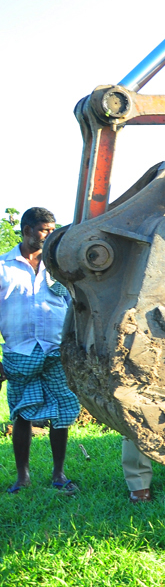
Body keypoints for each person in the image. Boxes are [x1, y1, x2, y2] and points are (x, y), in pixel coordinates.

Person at [1, 208, 82, 495]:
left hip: (56, 350)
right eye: (43, 230)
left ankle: (58, 473)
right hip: (19, 352)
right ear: (25, 230)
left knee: (62, 411)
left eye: (52, 229)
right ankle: (22, 477)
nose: (49, 235)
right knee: (22, 413)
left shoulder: (59, 265)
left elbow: (77, 302)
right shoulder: (3, 266)